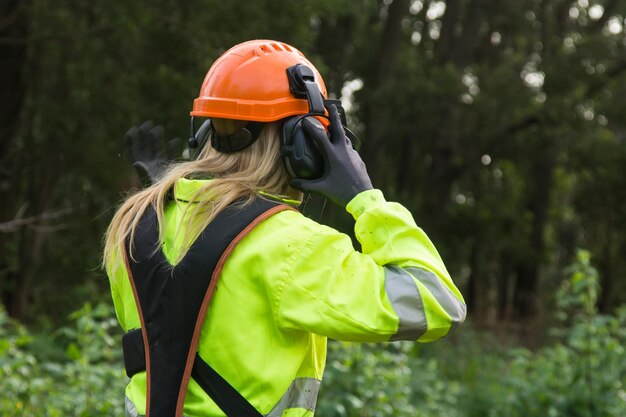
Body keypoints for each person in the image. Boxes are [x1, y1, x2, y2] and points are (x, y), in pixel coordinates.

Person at [104, 39, 466, 417]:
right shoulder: (291, 246)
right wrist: (366, 198)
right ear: (302, 142)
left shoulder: (136, 222)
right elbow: (439, 302)